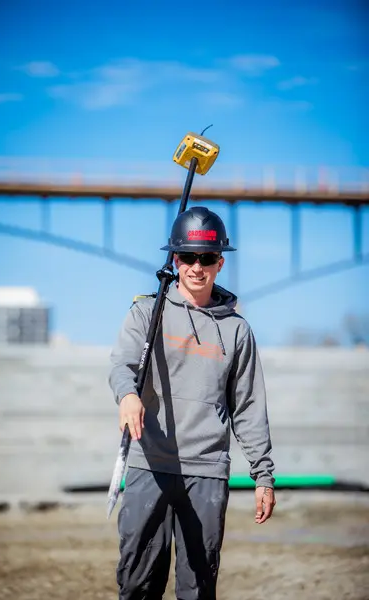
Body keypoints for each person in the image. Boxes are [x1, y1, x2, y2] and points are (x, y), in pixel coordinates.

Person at [109, 206, 276, 600]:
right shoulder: (147, 313)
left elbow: (249, 406)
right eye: (187, 257)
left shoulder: (237, 330)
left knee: (198, 589)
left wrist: (263, 475)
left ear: (220, 263)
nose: (196, 268)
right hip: (149, 463)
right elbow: (121, 365)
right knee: (136, 584)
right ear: (175, 259)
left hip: (208, 471)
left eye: (206, 258)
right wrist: (128, 395)